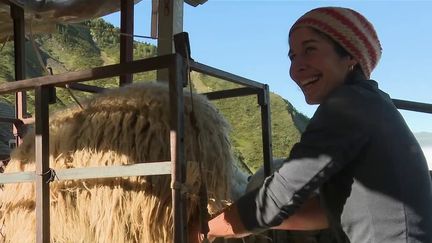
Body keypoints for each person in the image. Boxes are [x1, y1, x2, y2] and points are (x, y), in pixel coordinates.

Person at [199, 6, 432, 243]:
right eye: (292, 56)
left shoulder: (348, 106)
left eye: (309, 50)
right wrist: (238, 223)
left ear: (350, 56)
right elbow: (326, 212)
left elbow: (278, 196)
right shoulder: (371, 102)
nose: (295, 68)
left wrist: (202, 231)